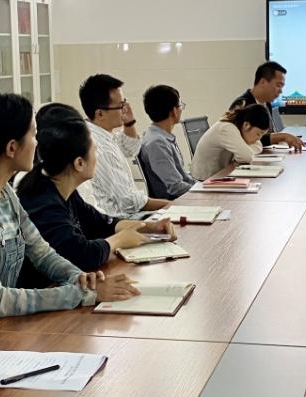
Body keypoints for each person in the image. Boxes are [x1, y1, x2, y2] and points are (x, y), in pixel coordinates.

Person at [0, 95, 140, 318]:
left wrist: (81, 279)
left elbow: (42, 253)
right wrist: (82, 294)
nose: (37, 143)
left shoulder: (5, 193)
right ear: (12, 148)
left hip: (3, 325)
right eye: (33, 135)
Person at [18, 105, 176, 281]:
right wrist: (119, 240)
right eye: (94, 150)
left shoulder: (64, 189)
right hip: (49, 290)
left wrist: (150, 227)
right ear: (79, 163)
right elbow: (81, 255)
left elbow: (101, 223)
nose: (97, 156)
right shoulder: (43, 201)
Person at [77, 74, 171, 216]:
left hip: (126, 214)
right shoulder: (99, 147)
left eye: (125, 103)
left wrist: (129, 122)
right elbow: (128, 201)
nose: (125, 109)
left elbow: (130, 149)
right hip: (119, 219)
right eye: (121, 106)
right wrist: (171, 205)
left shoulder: (99, 132)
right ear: (100, 114)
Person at [137, 84, 196, 200]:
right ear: (174, 111)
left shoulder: (159, 137)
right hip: (176, 202)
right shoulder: (157, 144)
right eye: (179, 105)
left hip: (184, 197)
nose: (181, 109)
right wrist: (203, 191)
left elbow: (182, 178)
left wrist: (204, 186)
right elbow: (175, 187)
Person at [231, 61, 304, 152]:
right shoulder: (242, 104)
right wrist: (283, 136)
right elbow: (244, 139)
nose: (280, 91)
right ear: (263, 82)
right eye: (278, 85)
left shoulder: (267, 103)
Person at [190, 103, 271, 180]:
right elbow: (247, 157)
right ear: (246, 125)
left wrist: (245, 153)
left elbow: (258, 146)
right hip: (204, 180)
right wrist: (245, 153)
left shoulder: (237, 126)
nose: (258, 138)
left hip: (219, 175)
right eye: (258, 134)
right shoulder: (227, 129)